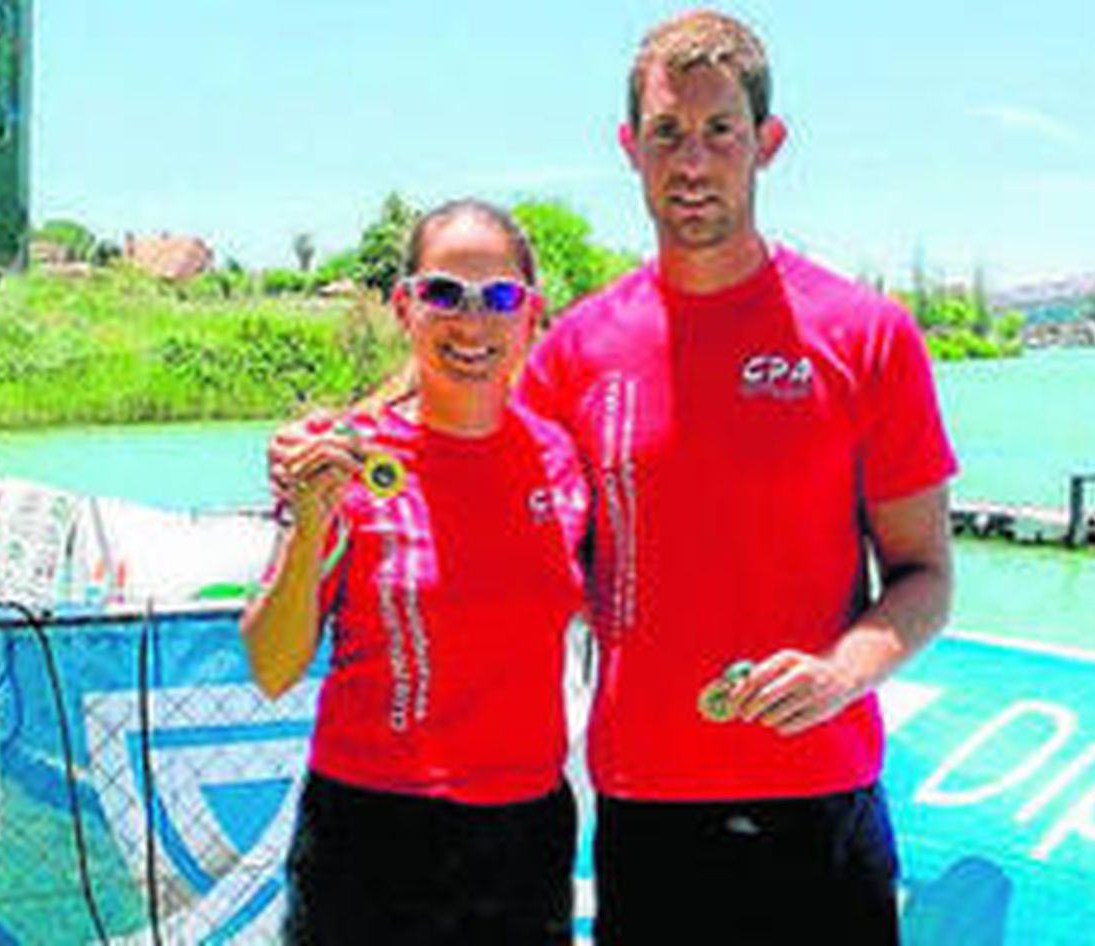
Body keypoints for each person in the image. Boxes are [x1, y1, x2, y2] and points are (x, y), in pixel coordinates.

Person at [515, 10, 958, 944]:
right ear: (631, 148)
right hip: (646, 808)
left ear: (768, 143)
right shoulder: (570, 356)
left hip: (821, 797)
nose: (693, 162)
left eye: (721, 131)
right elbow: (513, 541)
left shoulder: (867, 335)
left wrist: (844, 672)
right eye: (669, 134)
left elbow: (926, 577)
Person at [242, 198, 587, 944]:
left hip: (525, 840)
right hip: (370, 838)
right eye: (442, 294)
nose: (472, 322)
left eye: (499, 297)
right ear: (405, 307)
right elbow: (271, 666)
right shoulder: (341, 459)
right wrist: (307, 527)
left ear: (532, 313)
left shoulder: (563, 460)